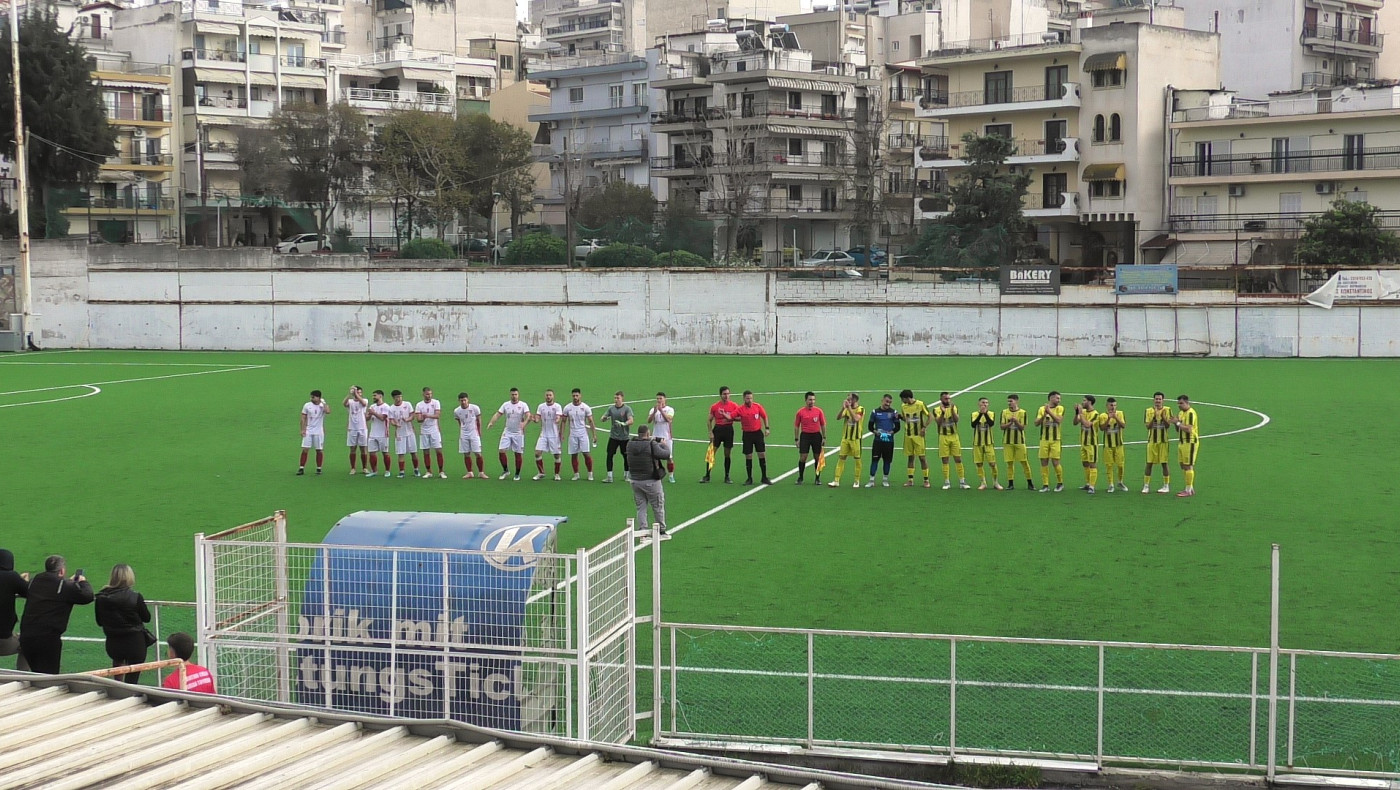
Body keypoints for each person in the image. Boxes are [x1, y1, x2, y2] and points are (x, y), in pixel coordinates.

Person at [18, 555, 94, 674]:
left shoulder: (35, 581)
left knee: (36, 675)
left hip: (26, 638)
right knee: (49, 678)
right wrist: (82, 582)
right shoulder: (64, 587)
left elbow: (42, 588)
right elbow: (88, 596)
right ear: (62, 571)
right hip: (47, 640)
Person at [94, 563, 151, 684]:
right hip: (135, 644)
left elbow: (99, 622)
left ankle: (118, 689)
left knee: (118, 665)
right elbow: (147, 618)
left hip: (114, 644)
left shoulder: (101, 598)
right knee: (132, 680)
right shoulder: (135, 597)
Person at [625, 425, 671, 538]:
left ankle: (643, 531)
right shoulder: (651, 444)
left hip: (635, 480)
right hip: (650, 480)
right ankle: (661, 530)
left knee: (641, 506)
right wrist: (663, 444)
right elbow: (665, 454)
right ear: (648, 433)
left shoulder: (630, 444)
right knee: (657, 505)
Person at [487, 387, 531, 480]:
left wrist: (524, 423)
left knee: (517, 453)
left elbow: (528, 415)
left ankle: (517, 474)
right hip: (507, 431)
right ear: (510, 395)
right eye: (512, 394)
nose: (514, 396)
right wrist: (491, 422)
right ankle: (506, 470)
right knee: (501, 451)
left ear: (518, 395)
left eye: (515, 394)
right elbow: (498, 414)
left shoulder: (523, 405)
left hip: (518, 433)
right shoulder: (506, 405)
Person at [701, 386, 740, 484]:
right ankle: (707, 475)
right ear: (720, 395)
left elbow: (740, 418)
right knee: (711, 453)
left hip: (728, 430)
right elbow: (709, 420)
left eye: (728, 394)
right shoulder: (715, 406)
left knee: (727, 454)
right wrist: (710, 432)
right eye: (724, 394)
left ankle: (727, 476)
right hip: (718, 430)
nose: (726, 396)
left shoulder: (734, 406)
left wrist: (730, 418)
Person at [932, 391, 970, 490]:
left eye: (949, 398)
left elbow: (956, 420)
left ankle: (962, 481)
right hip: (943, 436)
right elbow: (938, 422)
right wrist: (943, 413)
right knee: (945, 460)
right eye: (946, 399)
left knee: (958, 458)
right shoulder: (936, 409)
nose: (948, 400)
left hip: (954, 436)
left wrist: (952, 410)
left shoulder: (954, 407)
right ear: (941, 399)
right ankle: (947, 482)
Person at [735, 390, 773, 485]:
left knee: (762, 454)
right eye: (748, 398)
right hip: (747, 434)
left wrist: (767, 428)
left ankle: (764, 477)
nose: (750, 400)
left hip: (757, 434)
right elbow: (732, 417)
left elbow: (765, 416)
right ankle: (749, 478)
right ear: (744, 399)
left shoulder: (757, 406)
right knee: (748, 455)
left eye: (751, 398)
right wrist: (725, 415)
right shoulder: (741, 409)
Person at [0, 549, 30, 671]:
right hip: (3, 639)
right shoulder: (11, 577)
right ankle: (22, 679)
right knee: (29, 645)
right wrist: (22, 581)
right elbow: (28, 591)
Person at [829, 393, 864, 488]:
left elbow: (856, 419)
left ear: (855, 400)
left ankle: (856, 480)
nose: (848, 401)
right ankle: (836, 480)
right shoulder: (847, 409)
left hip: (856, 439)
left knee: (857, 460)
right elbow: (838, 418)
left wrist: (848, 408)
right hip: (846, 438)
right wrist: (843, 408)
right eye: (847, 399)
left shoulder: (861, 409)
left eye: (850, 399)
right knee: (841, 458)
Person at [898, 389, 932, 488]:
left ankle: (926, 480)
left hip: (918, 436)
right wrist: (900, 417)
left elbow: (930, 416)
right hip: (908, 435)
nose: (902, 401)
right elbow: (906, 419)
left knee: (922, 458)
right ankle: (910, 480)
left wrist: (924, 427)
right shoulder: (903, 406)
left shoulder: (920, 404)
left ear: (907, 397)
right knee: (910, 457)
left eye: (903, 399)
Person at [562, 388, 598, 481]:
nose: (575, 397)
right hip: (573, 434)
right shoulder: (567, 408)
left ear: (580, 396)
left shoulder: (585, 407)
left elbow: (591, 421)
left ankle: (590, 473)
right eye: (573, 396)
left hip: (583, 434)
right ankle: (576, 474)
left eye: (577, 395)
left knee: (586, 454)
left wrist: (594, 434)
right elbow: (563, 422)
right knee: (574, 454)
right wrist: (561, 433)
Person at [866, 394, 901, 487]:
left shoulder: (894, 412)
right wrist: (875, 431)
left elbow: (898, 427)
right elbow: (870, 426)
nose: (888, 404)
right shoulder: (875, 412)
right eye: (886, 401)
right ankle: (871, 480)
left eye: (890, 402)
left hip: (889, 441)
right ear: (882, 400)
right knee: (874, 460)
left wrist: (892, 432)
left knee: (887, 461)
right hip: (878, 441)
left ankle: (885, 479)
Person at [599, 391, 634, 483]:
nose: (616, 400)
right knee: (609, 455)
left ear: (622, 398)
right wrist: (604, 418)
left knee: (626, 456)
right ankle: (609, 476)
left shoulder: (627, 409)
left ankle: (627, 476)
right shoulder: (611, 408)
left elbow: (631, 420)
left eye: (618, 398)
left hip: (624, 437)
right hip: (614, 436)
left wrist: (624, 423)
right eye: (615, 398)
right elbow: (603, 417)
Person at [1035, 391, 1065, 493]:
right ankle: (1045, 485)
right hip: (1044, 439)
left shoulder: (1060, 408)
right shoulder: (1041, 409)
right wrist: (1044, 415)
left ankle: (1060, 483)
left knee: (1055, 462)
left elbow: (1059, 420)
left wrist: (1049, 412)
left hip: (1056, 440)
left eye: (1059, 398)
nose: (1059, 400)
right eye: (1057, 398)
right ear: (1051, 398)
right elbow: (1036, 423)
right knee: (1043, 462)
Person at [793, 391, 826, 485]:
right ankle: (800, 477)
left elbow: (823, 424)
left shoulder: (819, 411)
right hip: (805, 436)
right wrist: (796, 439)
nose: (812, 402)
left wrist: (824, 437)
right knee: (803, 457)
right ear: (806, 400)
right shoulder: (800, 412)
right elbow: (796, 426)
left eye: (813, 400)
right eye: (810, 400)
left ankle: (817, 478)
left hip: (816, 436)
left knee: (817, 457)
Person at [1001, 395, 1033, 490]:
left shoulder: (1023, 413)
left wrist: (1016, 421)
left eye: (1011, 401)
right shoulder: (1004, 412)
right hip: (1007, 442)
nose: (1009, 403)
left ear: (1016, 401)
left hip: (1020, 442)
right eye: (1008, 401)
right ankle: (1010, 484)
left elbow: (1022, 427)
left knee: (1024, 462)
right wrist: (1010, 423)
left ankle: (1030, 483)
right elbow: (1002, 427)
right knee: (1009, 463)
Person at [1144, 391, 1172, 494]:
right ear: (1154, 400)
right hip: (1152, 441)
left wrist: (1163, 417)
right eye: (1156, 399)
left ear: (1163, 400)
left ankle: (1166, 485)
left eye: (1160, 399)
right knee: (1149, 463)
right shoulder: (1148, 411)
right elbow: (1148, 426)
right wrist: (1154, 417)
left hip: (1163, 441)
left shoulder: (1167, 410)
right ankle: (1146, 486)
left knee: (1164, 463)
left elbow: (1168, 425)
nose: (1158, 401)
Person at [532, 389, 564, 481]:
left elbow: (558, 417)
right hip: (544, 434)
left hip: (554, 435)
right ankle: (541, 473)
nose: (548, 397)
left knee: (556, 455)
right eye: (547, 395)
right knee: (537, 453)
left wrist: (557, 420)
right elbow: (538, 418)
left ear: (553, 396)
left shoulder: (557, 406)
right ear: (545, 396)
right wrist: (534, 419)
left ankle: (557, 474)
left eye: (550, 395)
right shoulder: (541, 406)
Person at [970, 397, 1001, 490]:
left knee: (992, 463)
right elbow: (973, 425)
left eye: (986, 403)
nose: (985, 404)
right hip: (977, 443)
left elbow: (991, 423)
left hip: (988, 443)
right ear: (979, 404)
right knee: (979, 464)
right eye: (983, 402)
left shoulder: (991, 414)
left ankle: (995, 482)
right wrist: (980, 414)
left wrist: (985, 414)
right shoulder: (974, 414)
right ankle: (983, 483)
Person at [1098, 397, 1128, 493]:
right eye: (1111, 405)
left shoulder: (1120, 413)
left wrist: (1116, 418)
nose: (1113, 407)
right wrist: (1109, 419)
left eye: (1115, 405)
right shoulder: (1102, 415)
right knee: (1109, 465)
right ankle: (1111, 484)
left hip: (1119, 444)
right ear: (1107, 406)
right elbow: (1102, 428)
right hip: (1108, 445)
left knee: (1120, 465)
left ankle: (1120, 481)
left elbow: (1123, 426)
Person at [1172, 394, 1200, 498]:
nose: (1179, 405)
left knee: (1188, 465)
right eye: (1178, 403)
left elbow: (1188, 429)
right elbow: (1178, 429)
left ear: (1187, 403)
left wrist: (1178, 423)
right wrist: (1175, 423)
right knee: (1183, 465)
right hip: (1182, 442)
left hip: (1190, 442)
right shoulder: (1181, 413)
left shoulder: (1191, 413)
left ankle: (1188, 490)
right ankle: (1190, 488)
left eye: (1181, 403)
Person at [416, 387, 446, 479]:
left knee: (438, 450)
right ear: (423, 394)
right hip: (424, 431)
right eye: (427, 394)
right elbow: (418, 419)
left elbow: (437, 415)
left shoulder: (436, 402)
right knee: (426, 451)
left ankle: (441, 471)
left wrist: (427, 415)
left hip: (434, 430)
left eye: (430, 394)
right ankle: (428, 471)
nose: (429, 396)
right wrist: (423, 418)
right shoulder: (419, 405)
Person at [389, 390, 421, 477]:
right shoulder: (391, 408)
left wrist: (408, 419)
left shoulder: (407, 404)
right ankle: (402, 472)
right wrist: (395, 424)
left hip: (410, 432)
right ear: (393, 398)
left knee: (413, 452)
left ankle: (416, 470)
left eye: (400, 397)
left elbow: (412, 415)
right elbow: (391, 420)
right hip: (399, 434)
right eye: (397, 397)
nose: (399, 399)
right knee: (400, 453)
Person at [298, 389, 329, 475]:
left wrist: (324, 404)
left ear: (319, 397)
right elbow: (303, 418)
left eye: (313, 397)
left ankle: (319, 468)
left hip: (319, 431)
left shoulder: (322, 406)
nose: (311, 398)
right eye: (311, 397)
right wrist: (302, 429)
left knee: (319, 450)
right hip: (309, 430)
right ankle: (301, 468)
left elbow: (328, 411)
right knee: (305, 449)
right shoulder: (307, 405)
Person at [454, 392, 484, 479]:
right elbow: (459, 422)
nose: (463, 402)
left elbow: (479, 420)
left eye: (464, 400)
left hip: (474, 433)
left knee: (478, 453)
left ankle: (481, 472)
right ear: (459, 401)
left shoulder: (475, 408)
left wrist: (479, 431)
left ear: (468, 400)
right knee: (466, 453)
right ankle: (469, 472)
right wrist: (462, 430)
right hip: (464, 434)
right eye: (461, 400)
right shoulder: (457, 411)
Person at [648, 393, 677, 483]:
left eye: (660, 398)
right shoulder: (653, 409)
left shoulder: (670, 409)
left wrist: (661, 410)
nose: (659, 400)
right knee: (655, 457)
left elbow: (668, 419)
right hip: (656, 436)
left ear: (665, 399)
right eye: (657, 398)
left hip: (667, 437)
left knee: (669, 457)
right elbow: (649, 421)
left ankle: (671, 475)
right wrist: (654, 412)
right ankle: (657, 474)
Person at [1075, 395, 1101, 494]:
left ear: (1090, 402)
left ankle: (1092, 486)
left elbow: (1087, 424)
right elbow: (1075, 422)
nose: (1082, 402)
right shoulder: (1083, 412)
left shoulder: (1095, 414)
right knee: (1085, 463)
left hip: (1092, 444)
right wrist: (1077, 413)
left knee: (1092, 464)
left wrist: (1080, 413)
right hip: (1083, 443)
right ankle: (1087, 483)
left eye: (1084, 400)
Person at [366, 390, 392, 477]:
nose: (373, 397)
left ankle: (387, 471)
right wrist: (369, 415)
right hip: (373, 434)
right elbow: (366, 418)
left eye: (375, 395)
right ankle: (374, 471)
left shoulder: (386, 407)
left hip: (383, 434)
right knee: (372, 453)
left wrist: (373, 413)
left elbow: (382, 418)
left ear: (380, 396)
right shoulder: (372, 406)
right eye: (373, 395)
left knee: (385, 453)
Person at [344, 386, 369, 476]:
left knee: (363, 448)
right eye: (357, 392)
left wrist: (356, 394)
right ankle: (353, 468)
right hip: (352, 428)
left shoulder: (365, 400)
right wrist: (349, 394)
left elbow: (363, 403)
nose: (358, 394)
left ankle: (365, 468)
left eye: (359, 392)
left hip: (362, 428)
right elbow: (344, 403)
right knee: (352, 448)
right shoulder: (350, 402)